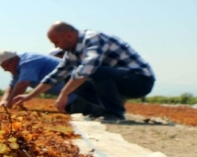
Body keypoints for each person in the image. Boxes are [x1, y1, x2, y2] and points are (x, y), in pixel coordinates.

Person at [14, 22, 155, 122]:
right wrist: (28, 96)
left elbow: (88, 68)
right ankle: (105, 109)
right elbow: (55, 76)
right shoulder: (72, 52)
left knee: (96, 72)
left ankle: (114, 113)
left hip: (139, 81)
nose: (56, 46)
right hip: (119, 82)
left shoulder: (94, 38)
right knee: (69, 77)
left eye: (56, 42)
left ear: (68, 36)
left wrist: (64, 93)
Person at [0, 50, 103, 116]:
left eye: (5, 66)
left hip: (79, 89)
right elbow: (12, 85)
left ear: (13, 60)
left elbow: (22, 84)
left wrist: (9, 106)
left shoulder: (29, 61)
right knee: (73, 109)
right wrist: (4, 100)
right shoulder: (17, 68)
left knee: (94, 111)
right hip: (68, 95)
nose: (5, 70)